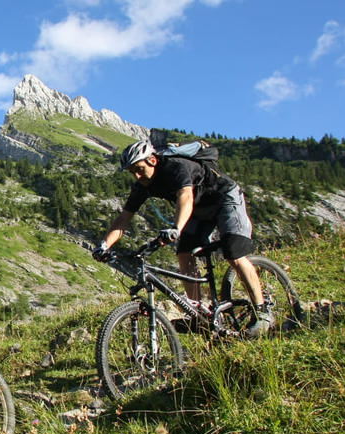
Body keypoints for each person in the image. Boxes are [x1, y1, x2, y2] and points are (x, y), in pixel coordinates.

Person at [93, 140, 273, 336]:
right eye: (132, 172)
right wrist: (104, 246)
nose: (136, 175)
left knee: (233, 253)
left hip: (224, 199)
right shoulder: (142, 185)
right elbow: (124, 218)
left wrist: (177, 228)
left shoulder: (175, 167)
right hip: (198, 211)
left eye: (139, 169)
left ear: (152, 160)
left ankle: (263, 311)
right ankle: (198, 313)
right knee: (184, 253)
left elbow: (185, 196)